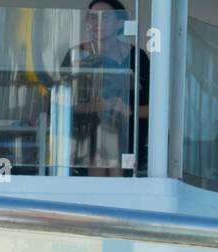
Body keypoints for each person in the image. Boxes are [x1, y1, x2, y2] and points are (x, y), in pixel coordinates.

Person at [59, 0, 151, 176]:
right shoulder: (76, 55)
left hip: (128, 149)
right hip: (82, 147)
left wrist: (127, 110)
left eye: (105, 18)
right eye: (93, 18)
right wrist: (90, 107)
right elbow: (57, 106)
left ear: (119, 23)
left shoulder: (138, 58)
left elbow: (156, 110)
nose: (97, 23)